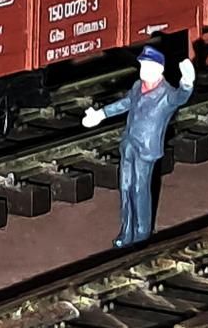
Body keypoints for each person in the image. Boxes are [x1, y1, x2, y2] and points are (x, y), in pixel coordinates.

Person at [83, 47, 195, 248]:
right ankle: (126, 232)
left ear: (159, 69)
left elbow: (181, 97)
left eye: (148, 66)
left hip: (146, 149)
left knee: (139, 189)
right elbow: (124, 104)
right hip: (129, 144)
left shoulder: (166, 94)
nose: (144, 70)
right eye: (142, 65)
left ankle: (142, 233)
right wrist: (100, 114)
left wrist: (187, 82)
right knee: (126, 187)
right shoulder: (137, 86)